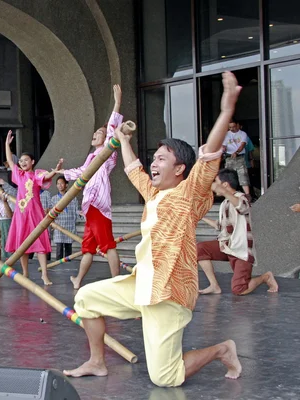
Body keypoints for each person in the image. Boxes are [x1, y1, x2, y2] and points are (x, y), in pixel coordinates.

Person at [64, 72, 243, 387]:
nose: (154, 163)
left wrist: (226, 110)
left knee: (165, 378)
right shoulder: (155, 194)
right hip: (141, 285)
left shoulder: (188, 194)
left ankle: (221, 349)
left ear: (179, 169)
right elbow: (134, 171)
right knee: (86, 299)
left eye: (162, 158)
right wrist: (124, 142)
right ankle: (96, 361)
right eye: (154, 158)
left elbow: (208, 158)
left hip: (169, 294)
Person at [60, 84, 123, 288]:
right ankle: (78, 280)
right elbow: (80, 173)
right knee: (88, 247)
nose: (96, 133)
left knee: (107, 245)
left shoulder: (108, 152)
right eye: (96, 131)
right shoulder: (92, 157)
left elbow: (113, 132)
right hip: (89, 205)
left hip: (98, 205)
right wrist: (59, 173)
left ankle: (117, 283)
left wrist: (118, 103)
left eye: (100, 132)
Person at [197, 169, 278, 295]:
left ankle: (265, 277)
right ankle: (214, 286)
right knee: (200, 249)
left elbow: (243, 207)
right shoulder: (225, 203)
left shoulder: (241, 198)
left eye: (216, 182)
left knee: (239, 289)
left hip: (241, 250)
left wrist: (224, 192)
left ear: (224, 185)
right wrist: (200, 216)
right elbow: (220, 226)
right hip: (227, 246)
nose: (214, 185)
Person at [4, 131, 62, 286]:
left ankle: (44, 274)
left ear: (32, 162)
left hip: (35, 213)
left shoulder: (36, 175)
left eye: (26, 160)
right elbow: (10, 160)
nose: (22, 162)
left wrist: (55, 171)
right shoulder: (19, 175)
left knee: (40, 243)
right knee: (22, 245)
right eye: (21, 160)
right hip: (21, 214)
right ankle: (25, 272)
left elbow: (47, 177)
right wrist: (7, 145)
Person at [51, 176, 79, 260]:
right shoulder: (53, 199)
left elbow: (76, 211)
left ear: (66, 185)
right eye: (58, 184)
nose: (60, 185)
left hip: (69, 226)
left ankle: (68, 268)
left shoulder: (72, 198)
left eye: (62, 183)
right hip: (59, 226)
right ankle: (57, 268)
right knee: (59, 249)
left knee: (68, 250)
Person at [222, 119, 251, 197]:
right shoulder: (226, 134)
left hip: (239, 158)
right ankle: (229, 196)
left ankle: (247, 195)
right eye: (230, 127)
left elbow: (242, 145)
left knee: (243, 177)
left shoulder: (242, 134)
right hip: (229, 158)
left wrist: (236, 152)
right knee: (228, 178)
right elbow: (224, 145)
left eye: (233, 127)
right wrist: (223, 148)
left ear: (237, 125)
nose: (232, 129)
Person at [0, 178, 15, 260]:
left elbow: (10, 215)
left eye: (0, 191)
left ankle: (9, 260)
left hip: (7, 223)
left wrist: (5, 202)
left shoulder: (10, 200)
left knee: (8, 242)